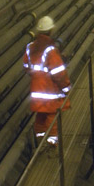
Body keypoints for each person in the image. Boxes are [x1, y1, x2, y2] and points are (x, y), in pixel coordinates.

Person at [22, 15, 71, 146]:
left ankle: (40, 140)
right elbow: (59, 73)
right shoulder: (50, 50)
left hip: (36, 91)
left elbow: (26, 66)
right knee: (52, 117)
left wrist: (37, 76)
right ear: (51, 31)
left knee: (40, 116)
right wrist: (67, 88)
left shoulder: (30, 47)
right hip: (50, 91)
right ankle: (51, 144)